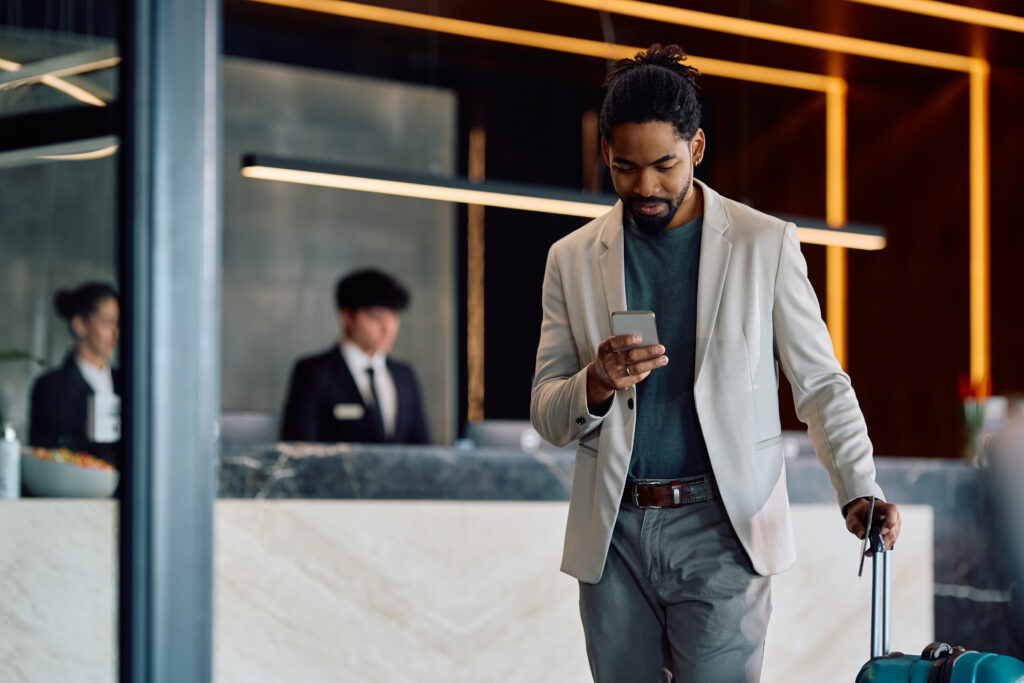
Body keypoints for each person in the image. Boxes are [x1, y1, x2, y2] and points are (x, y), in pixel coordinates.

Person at [529, 44, 901, 682]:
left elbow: (819, 385)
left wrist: (858, 489)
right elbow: (547, 413)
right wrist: (595, 381)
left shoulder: (765, 244)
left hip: (724, 530)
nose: (645, 187)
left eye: (663, 165)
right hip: (613, 537)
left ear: (697, 149)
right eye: (624, 168)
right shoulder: (571, 257)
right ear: (605, 156)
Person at [280, 268, 429, 444]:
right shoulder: (315, 372)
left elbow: (422, 448)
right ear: (347, 317)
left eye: (393, 316)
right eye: (375, 317)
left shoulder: (404, 375)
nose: (388, 328)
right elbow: (298, 448)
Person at [29, 282, 122, 465]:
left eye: (117, 323)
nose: (115, 333)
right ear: (80, 324)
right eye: (106, 322)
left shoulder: (128, 383)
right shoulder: (50, 387)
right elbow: (44, 453)